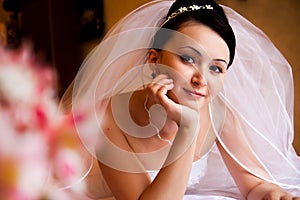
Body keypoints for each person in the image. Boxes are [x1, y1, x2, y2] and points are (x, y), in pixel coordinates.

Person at [61, 0, 300, 199]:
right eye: (188, 58)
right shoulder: (107, 117)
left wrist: (273, 195)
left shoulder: (218, 111)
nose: (201, 79)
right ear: (153, 60)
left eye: (216, 69)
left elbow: (255, 184)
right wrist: (188, 127)